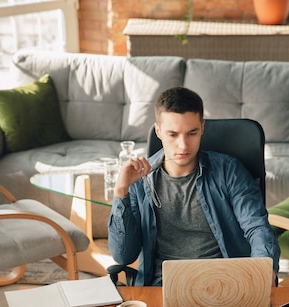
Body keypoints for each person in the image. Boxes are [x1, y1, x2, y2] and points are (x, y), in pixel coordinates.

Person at [108, 87, 280, 286]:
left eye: (192, 133)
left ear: (202, 128)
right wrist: (121, 192)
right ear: (158, 131)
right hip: (162, 287)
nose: (183, 145)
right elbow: (123, 256)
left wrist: (262, 270)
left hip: (223, 283)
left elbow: (257, 227)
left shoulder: (228, 170)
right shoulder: (140, 180)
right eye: (173, 134)